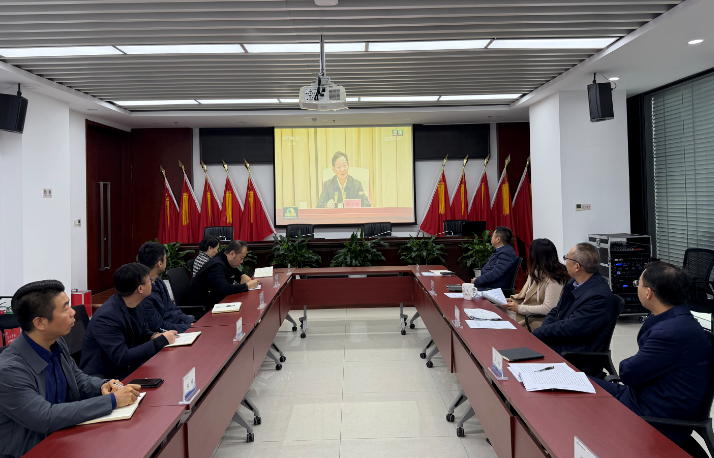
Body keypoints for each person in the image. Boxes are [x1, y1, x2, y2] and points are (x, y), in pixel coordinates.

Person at [0, 280, 141, 457]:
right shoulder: (8, 371)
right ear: (40, 323)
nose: (73, 312)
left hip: (65, 438)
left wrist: (102, 386)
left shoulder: (56, 343)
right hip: (32, 451)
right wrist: (111, 401)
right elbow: (45, 417)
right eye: (65, 307)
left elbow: (77, 379)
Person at [591, 262, 713, 446]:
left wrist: (628, 362)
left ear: (648, 293)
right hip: (645, 399)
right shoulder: (678, 319)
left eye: (638, 284)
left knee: (580, 400)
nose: (637, 288)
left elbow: (628, 373)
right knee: (581, 382)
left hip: (651, 417)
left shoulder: (669, 332)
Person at [532, 242, 620, 376]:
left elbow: (570, 328)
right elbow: (557, 310)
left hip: (576, 355)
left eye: (566, 258)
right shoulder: (573, 282)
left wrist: (540, 333)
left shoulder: (599, 297)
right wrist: (542, 332)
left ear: (577, 266)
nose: (564, 261)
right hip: (563, 342)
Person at [80, 263, 178, 380]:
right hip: (107, 378)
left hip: (129, 368)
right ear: (140, 289)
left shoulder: (137, 304)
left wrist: (154, 336)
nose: (152, 283)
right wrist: (160, 341)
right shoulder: (106, 318)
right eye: (149, 280)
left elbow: (143, 331)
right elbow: (122, 358)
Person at [502, 238, 570, 331]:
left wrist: (519, 308)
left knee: (501, 323)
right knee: (497, 310)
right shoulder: (535, 271)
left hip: (537, 319)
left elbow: (548, 308)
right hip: (526, 312)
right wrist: (511, 300)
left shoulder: (554, 279)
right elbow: (527, 294)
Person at [137, 242, 195, 333]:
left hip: (179, 326)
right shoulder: (144, 292)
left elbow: (172, 307)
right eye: (165, 258)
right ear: (159, 263)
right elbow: (158, 326)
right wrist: (188, 328)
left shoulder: (158, 280)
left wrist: (192, 322)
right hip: (169, 333)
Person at [184, 240, 259, 309]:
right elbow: (225, 289)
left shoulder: (225, 259)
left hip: (216, 302)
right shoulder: (216, 266)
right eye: (241, 258)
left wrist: (242, 275)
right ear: (232, 254)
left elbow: (234, 271)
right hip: (201, 308)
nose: (242, 262)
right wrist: (247, 286)